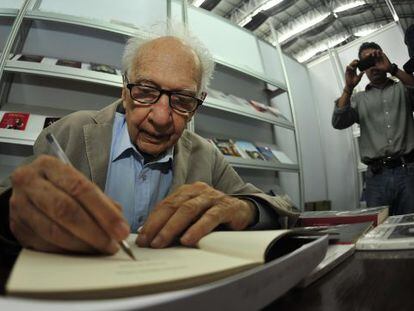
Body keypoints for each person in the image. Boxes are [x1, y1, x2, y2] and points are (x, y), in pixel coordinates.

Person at [0, 29, 296, 257]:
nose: (162, 117)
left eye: (182, 100)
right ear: (125, 90)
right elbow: (13, 198)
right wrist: (11, 213)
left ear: (198, 103)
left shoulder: (207, 155)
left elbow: (282, 208)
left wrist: (244, 210)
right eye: (145, 91)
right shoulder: (70, 132)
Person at [332, 41, 414, 215]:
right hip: (377, 178)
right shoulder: (358, 98)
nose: (374, 67)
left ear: (383, 58)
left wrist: (392, 68)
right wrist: (348, 87)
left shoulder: (402, 89)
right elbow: (338, 122)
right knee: (379, 233)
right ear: (362, 67)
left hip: (408, 172)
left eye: (376, 59)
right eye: (367, 63)